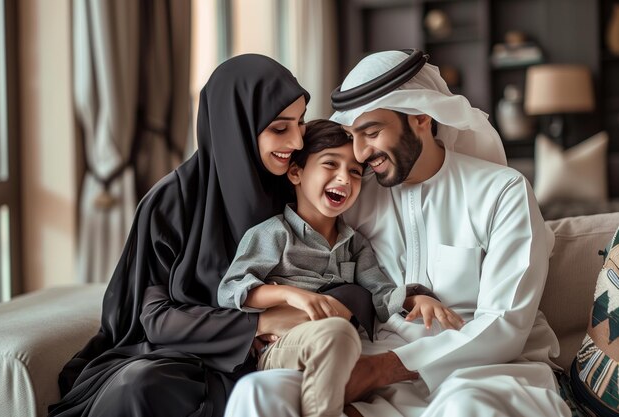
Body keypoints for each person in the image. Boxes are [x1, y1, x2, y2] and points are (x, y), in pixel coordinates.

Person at [225, 49, 572, 417]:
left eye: (371, 133)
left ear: (421, 117)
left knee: (464, 408)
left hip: (483, 372)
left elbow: (506, 326)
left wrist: (382, 368)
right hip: (369, 362)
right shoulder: (356, 196)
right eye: (353, 135)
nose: (360, 153)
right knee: (259, 391)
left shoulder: (502, 191)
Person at [47, 54, 317, 417]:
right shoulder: (170, 202)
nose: (298, 142)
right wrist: (258, 323)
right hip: (181, 354)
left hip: (279, 354)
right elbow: (156, 319)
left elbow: (338, 262)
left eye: (300, 123)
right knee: (141, 387)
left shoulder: (297, 188)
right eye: (280, 128)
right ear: (233, 125)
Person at [217, 119, 463, 417]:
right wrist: (291, 295)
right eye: (330, 164)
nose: (344, 179)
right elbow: (231, 289)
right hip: (284, 348)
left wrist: (415, 298)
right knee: (338, 335)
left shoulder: (355, 243)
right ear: (296, 172)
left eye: (355, 172)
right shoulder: (273, 234)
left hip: (337, 350)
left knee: (343, 341)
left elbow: (380, 294)